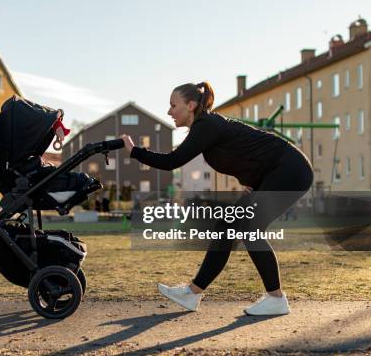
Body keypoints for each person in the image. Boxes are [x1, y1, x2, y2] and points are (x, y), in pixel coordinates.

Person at [121, 82, 313, 316]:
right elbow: (246, 152)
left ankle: (276, 298)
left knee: (249, 228)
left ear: (190, 105)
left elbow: (172, 161)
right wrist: (257, 182)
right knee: (226, 227)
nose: (169, 111)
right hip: (276, 172)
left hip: (291, 170)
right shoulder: (204, 127)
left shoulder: (206, 125)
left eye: (173, 105)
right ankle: (193, 293)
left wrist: (135, 152)